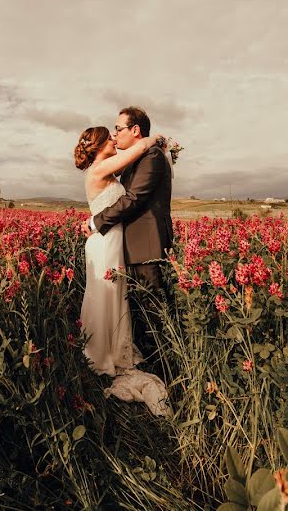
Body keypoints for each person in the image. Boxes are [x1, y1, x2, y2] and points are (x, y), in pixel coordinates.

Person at [75, 122, 171, 416]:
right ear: (100, 143)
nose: (115, 138)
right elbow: (140, 147)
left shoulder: (106, 169)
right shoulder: (101, 167)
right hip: (105, 244)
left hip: (110, 242)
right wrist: (158, 139)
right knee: (105, 295)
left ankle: (111, 348)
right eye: (111, 135)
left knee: (113, 297)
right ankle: (100, 354)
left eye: (118, 132)